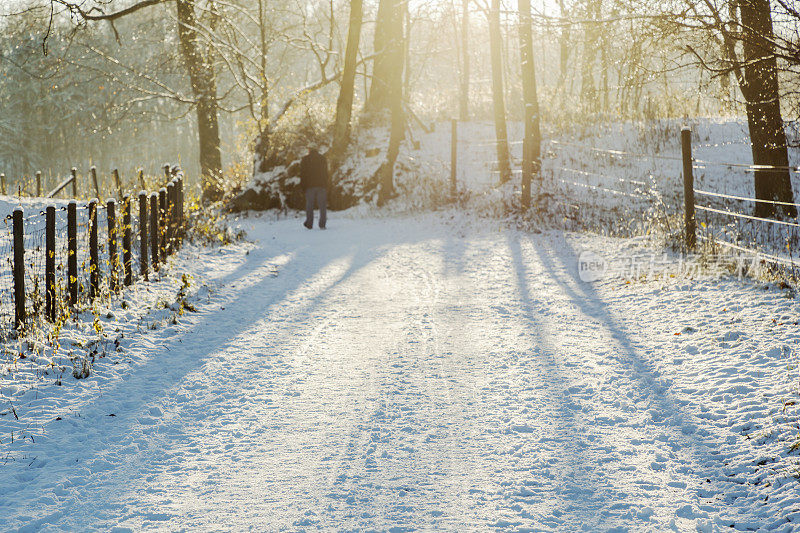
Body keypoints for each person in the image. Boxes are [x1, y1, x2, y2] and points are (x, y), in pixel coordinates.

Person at [299, 145, 329, 230]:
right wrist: (326, 185)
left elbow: (302, 174)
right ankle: (322, 224)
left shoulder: (305, 159)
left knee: (309, 206)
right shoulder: (323, 158)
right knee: (322, 206)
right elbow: (326, 173)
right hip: (321, 185)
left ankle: (309, 224)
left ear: (309, 150)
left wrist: (303, 187)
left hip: (309, 186)